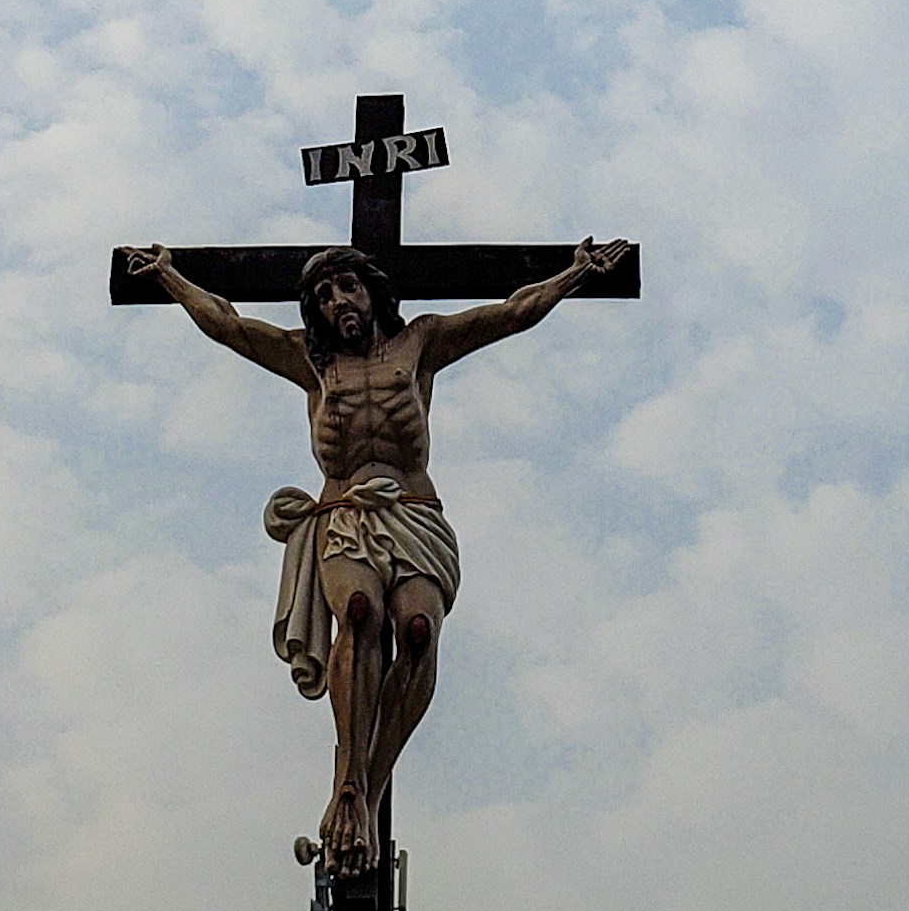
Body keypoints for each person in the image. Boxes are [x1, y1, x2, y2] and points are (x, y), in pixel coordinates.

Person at [122, 234, 631, 872]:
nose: (340, 302)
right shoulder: (307, 362)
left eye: (348, 287)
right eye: (325, 296)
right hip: (345, 518)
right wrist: (170, 277)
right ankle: (349, 782)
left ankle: (369, 782)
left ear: (373, 291)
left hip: (415, 516)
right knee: (358, 612)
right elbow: (226, 323)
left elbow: (512, 311)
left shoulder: (421, 342)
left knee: (416, 631)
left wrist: (573, 274)